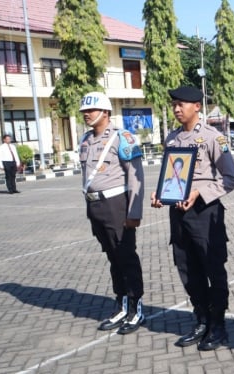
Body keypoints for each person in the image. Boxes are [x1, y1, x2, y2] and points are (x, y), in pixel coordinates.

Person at [151, 86, 234, 351]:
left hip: (205, 213)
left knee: (213, 269)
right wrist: (161, 193)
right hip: (178, 214)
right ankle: (201, 319)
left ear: (197, 107)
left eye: (181, 104)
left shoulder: (214, 137)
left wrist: (201, 192)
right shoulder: (172, 139)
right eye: (174, 105)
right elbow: (170, 176)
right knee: (187, 268)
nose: (177, 109)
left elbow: (232, 178)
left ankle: (218, 324)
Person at [78, 91, 145, 335]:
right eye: (84, 111)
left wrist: (134, 212)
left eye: (91, 111)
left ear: (105, 112)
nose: (86, 115)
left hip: (117, 205)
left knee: (126, 256)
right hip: (95, 207)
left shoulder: (122, 138)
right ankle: (121, 304)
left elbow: (135, 176)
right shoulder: (85, 140)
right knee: (113, 258)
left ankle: (136, 307)